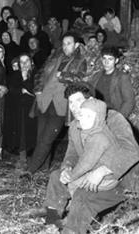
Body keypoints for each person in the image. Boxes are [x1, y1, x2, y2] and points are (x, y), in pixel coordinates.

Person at [23, 94, 139, 234]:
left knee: (83, 195)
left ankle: (72, 227)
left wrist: (103, 171)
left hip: (117, 178)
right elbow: (72, 154)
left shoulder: (113, 119)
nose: (74, 106)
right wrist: (67, 168)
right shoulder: (76, 125)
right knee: (57, 177)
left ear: (90, 100)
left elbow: (132, 152)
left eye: (78, 101)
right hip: (89, 171)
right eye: (71, 102)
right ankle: (52, 220)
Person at [22, 32, 90, 175]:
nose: (65, 47)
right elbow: (40, 73)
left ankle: (30, 170)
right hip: (45, 101)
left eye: (69, 43)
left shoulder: (81, 61)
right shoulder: (55, 56)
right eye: (64, 44)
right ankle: (43, 169)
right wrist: (38, 90)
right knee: (41, 137)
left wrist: (64, 76)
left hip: (61, 104)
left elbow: (81, 80)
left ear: (76, 45)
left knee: (46, 139)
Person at [3, 53, 37, 167]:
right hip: (18, 109)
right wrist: (21, 90)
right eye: (21, 62)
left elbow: (36, 90)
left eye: (27, 61)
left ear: (31, 62)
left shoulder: (36, 75)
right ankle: (23, 158)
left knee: (31, 133)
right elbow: (11, 89)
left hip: (32, 109)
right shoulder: (14, 75)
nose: (24, 64)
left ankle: (32, 156)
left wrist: (27, 89)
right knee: (21, 133)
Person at [88, 47, 135, 118]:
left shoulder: (121, 77)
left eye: (110, 59)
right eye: (104, 58)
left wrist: (119, 118)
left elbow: (129, 101)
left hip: (112, 114)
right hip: (96, 113)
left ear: (116, 60)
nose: (106, 62)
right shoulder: (96, 76)